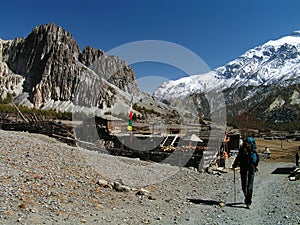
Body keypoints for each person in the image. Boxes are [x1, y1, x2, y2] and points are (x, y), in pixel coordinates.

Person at [232, 137, 259, 209]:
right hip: (251, 168)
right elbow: (256, 160)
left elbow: (238, 158)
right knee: (248, 185)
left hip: (245, 168)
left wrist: (234, 165)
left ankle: (248, 200)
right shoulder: (252, 150)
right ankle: (248, 200)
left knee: (245, 185)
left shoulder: (246, 150)